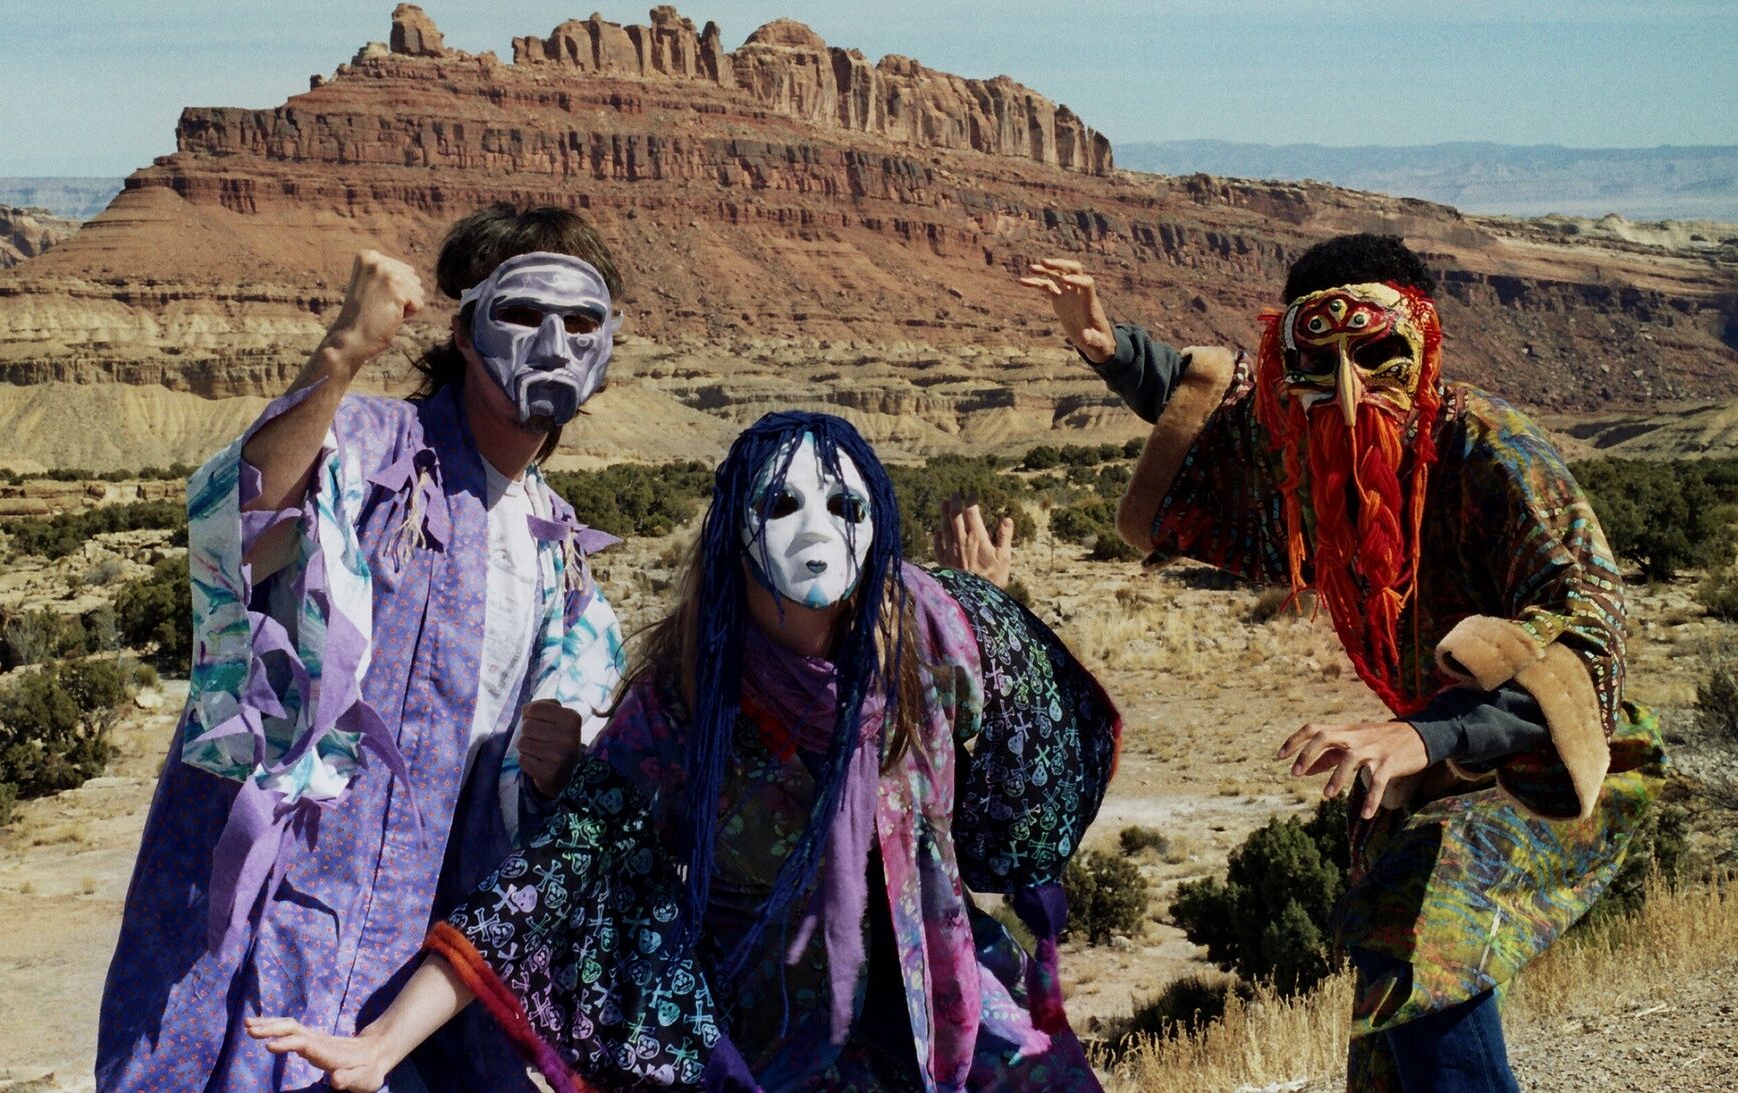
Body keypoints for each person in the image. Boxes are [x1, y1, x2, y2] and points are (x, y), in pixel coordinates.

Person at [245, 411, 1123, 1092]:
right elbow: (546, 884)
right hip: (770, 1042)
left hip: (943, 1003)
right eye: (781, 504)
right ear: (737, 528)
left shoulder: (927, 632)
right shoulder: (683, 705)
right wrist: (382, 1042)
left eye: (844, 506)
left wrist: (983, 600)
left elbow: (1020, 747)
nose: (815, 529)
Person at [1023, 235, 1664, 1093]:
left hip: (1554, 753)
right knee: (1389, 1037)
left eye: (1375, 352)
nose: (1350, 387)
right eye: (1318, 362)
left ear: (1423, 346)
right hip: (1432, 771)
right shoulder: (1311, 452)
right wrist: (1110, 348)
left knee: (1416, 925)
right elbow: (1218, 420)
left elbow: (1586, 623)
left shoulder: (1488, 448)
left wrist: (1425, 733)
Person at [97, 204, 633, 1092]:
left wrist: (551, 771)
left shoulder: (558, 548)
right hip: (281, 939)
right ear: (464, 331)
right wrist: (342, 351)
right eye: (521, 312)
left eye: (582, 321)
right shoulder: (376, 452)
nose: (552, 344)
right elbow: (239, 535)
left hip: (418, 985)